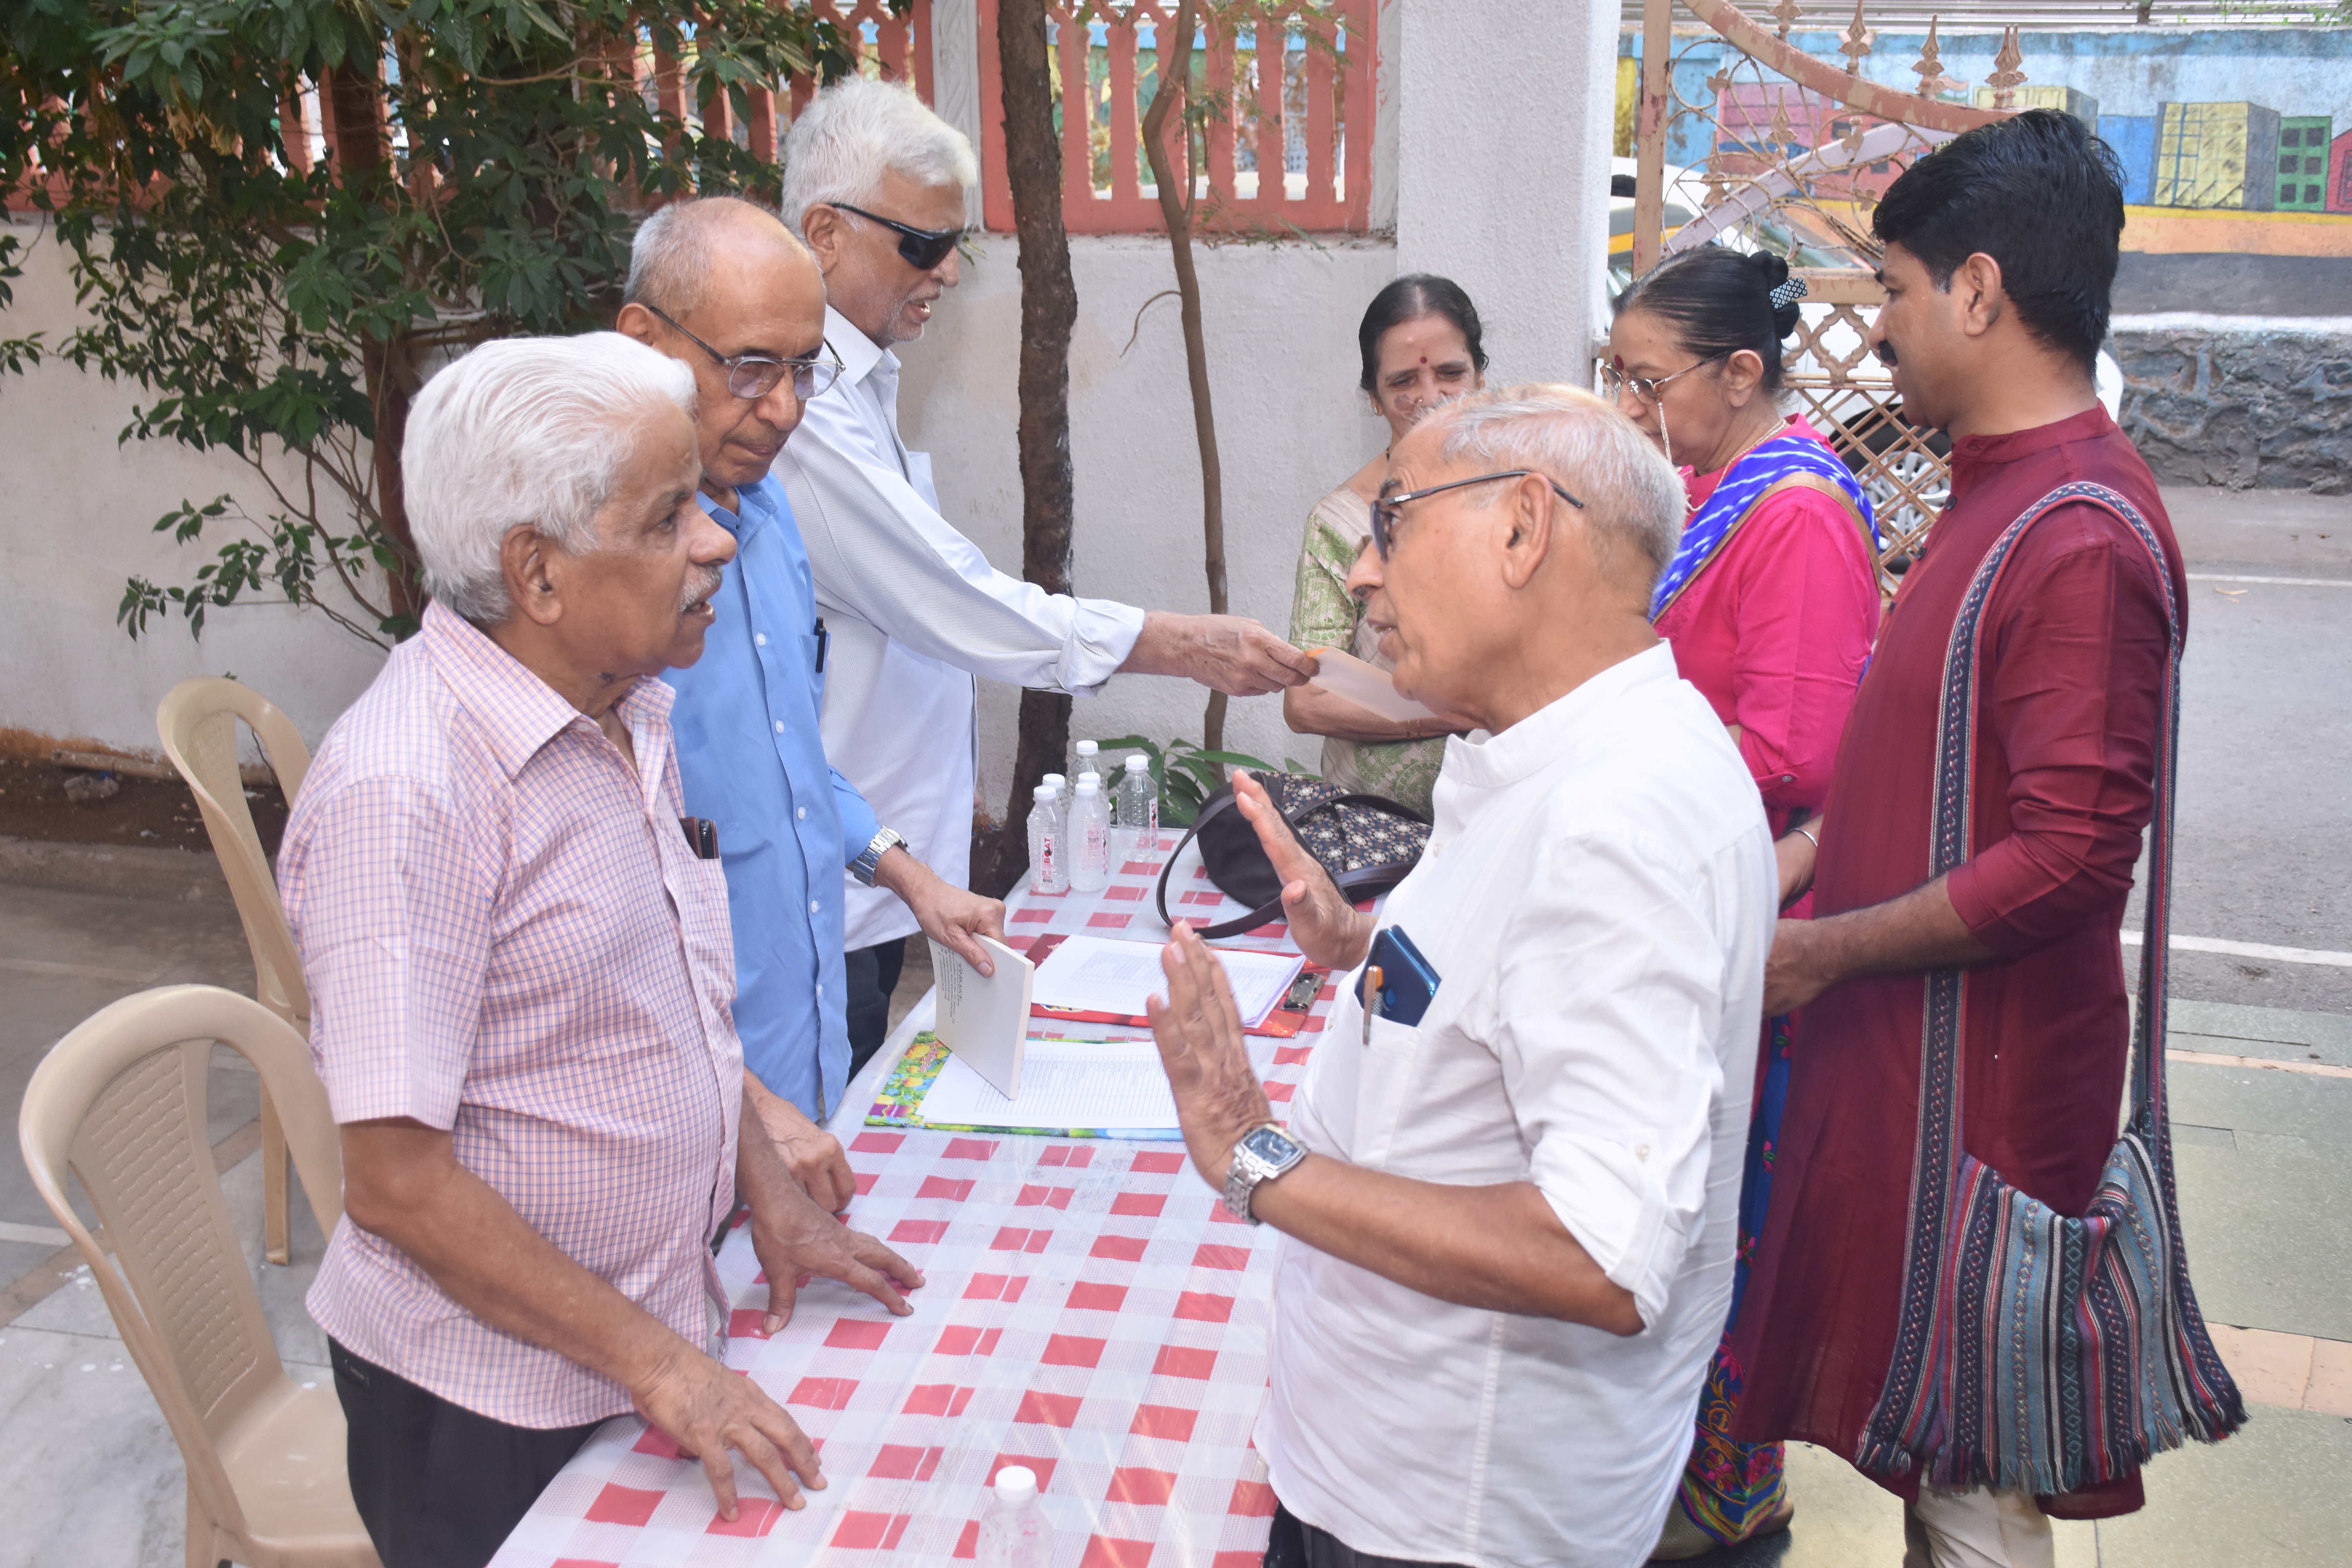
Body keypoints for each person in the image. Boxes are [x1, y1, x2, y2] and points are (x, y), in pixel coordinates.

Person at [278, 334, 925, 1568]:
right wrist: (663, 1367)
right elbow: (397, 1185)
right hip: (490, 1405)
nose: (717, 543)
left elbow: (652, 1003)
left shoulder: (617, 701)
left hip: (640, 1337)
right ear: (538, 573)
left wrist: (765, 1187)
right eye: (671, 514)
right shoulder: (410, 790)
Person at [1143, 385, 1778, 1568]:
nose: (1366, 573)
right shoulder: (1549, 750)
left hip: (1457, 1518)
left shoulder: (1616, 819)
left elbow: (1597, 1253)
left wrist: (1253, 1156)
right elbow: (1507, 1007)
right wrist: (1356, 953)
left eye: (1393, 522)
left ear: (1524, 530)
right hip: (1402, 1471)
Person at [1729, 111, 2189, 1564]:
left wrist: (1824, 954)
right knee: (1945, 1479)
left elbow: (2068, 859)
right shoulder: (2003, 495)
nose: (1881, 335)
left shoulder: (2078, 534)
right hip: (1928, 1074)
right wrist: (1775, 877)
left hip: (1987, 1108)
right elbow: (1910, 761)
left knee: (1976, 1497)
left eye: (1899, 291)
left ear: (1981, 291)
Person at [771, 78, 1316, 1068]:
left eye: (957, 249)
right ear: (825, 232)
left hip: (882, 861)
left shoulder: (859, 382)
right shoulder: (801, 410)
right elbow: (954, 603)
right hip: (832, 878)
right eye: (923, 246)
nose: (943, 275)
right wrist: (1183, 644)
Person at [617, 195, 1004, 1146]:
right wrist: (752, 1118)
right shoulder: (593, 581)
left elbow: (790, 765)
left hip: (804, 1059)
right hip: (684, 1114)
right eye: (753, 368)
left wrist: (904, 872)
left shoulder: (772, 516)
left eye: (803, 370)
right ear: (643, 341)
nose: (785, 409)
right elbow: (598, 937)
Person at [1603, 244, 1882, 1558]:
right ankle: (1666, 1469)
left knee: (1723, 1216)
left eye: (1642, 381)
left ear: (1741, 372)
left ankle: (1727, 1505)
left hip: (1736, 904)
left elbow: (1801, 756)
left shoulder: (1801, 516)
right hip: (1680, 885)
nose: (1627, 404)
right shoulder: (1717, 490)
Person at [1281, 275, 1487, 816]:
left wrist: (1391, 697)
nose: (1430, 397)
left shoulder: (1520, 501)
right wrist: (1471, 709)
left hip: (1496, 823)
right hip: (1371, 831)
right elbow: (1309, 698)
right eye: (1403, 381)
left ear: (1481, 375)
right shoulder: (1340, 522)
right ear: (1374, 398)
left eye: (1450, 373)